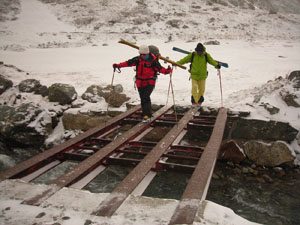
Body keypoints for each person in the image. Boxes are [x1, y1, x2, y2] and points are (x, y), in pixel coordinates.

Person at [113, 45, 172, 122]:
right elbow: (128, 63)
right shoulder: (137, 59)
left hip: (150, 82)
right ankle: (146, 113)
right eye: (141, 54)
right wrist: (118, 65)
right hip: (139, 82)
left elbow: (160, 69)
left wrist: (167, 71)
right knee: (143, 98)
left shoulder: (153, 61)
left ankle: (147, 115)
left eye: (144, 54)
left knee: (145, 97)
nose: (142, 56)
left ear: (148, 53)